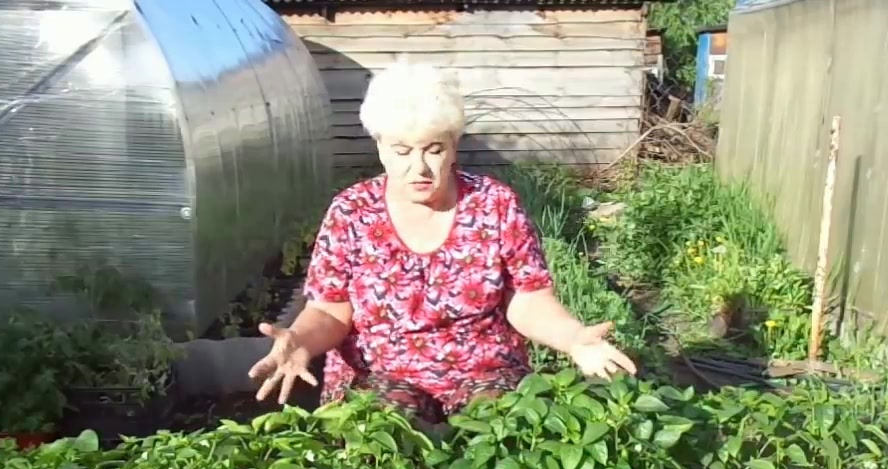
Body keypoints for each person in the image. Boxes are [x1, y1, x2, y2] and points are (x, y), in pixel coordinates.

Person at [247, 61, 636, 422]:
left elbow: (527, 299)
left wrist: (573, 339)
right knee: (380, 435)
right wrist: (300, 342)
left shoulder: (494, 204)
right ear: (380, 147)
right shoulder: (352, 212)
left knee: (500, 432)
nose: (419, 167)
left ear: (454, 144)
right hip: (379, 374)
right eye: (402, 151)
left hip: (484, 371)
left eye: (434, 149)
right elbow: (330, 311)